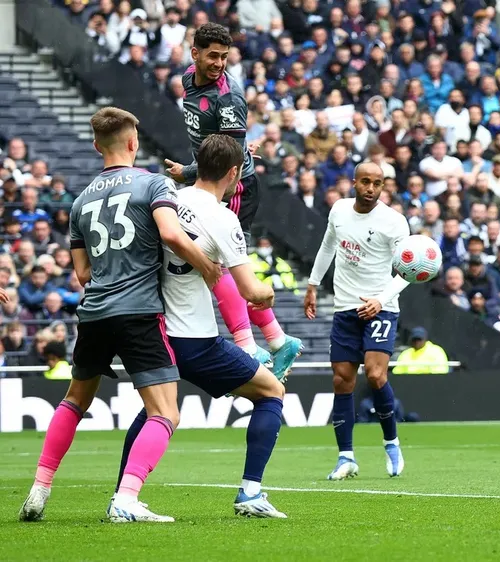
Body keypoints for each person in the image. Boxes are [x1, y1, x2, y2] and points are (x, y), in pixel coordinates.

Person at [20, 107, 220, 523]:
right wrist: (206, 266)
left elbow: (82, 273)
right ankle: (126, 499)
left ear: (97, 147)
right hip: (138, 312)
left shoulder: (80, 201)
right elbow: (169, 233)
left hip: (93, 313)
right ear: (134, 143)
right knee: (165, 412)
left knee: (74, 400)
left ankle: (40, 488)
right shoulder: (153, 184)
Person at [113, 135, 287, 518]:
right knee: (272, 392)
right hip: (194, 338)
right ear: (234, 173)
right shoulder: (224, 219)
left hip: (153, 330)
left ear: (197, 164)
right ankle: (251, 493)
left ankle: (122, 495)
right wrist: (268, 291)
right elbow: (249, 291)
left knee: (154, 413)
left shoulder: (167, 197)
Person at [163, 22, 302, 379]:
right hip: (210, 178)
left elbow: (229, 157)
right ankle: (275, 339)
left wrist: (187, 173)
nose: (220, 63)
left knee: (219, 263)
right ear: (195, 54)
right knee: (212, 261)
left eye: (225, 57)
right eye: (213, 55)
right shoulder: (188, 79)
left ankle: (247, 344)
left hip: (232, 185)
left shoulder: (228, 97)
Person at [304, 162, 412, 480]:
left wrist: (381, 299)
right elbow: (327, 246)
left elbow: (406, 270)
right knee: (341, 380)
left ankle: (391, 442)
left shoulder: (394, 222)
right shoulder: (338, 210)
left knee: (376, 376)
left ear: (383, 186)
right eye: (365, 181)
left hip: (381, 307)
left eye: (377, 183)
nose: (370, 188)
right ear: (354, 183)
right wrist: (312, 284)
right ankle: (346, 457)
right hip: (345, 307)